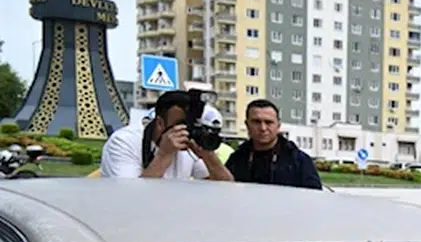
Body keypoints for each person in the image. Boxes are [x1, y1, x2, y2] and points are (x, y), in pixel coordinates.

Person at [99, 91, 235, 181]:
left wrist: (208, 155)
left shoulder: (188, 146)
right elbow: (130, 198)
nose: (186, 131)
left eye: (191, 125)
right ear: (159, 123)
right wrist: (163, 155)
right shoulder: (123, 141)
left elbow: (226, 189)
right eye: (181, 124)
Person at [224, 99, 323, 189]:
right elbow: (224, 190)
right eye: (256, 122)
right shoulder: (237, 158)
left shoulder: (298, 161)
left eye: (268, 122)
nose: (263, 128)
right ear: (247, 125)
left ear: (278, 126)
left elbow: (314, 198)